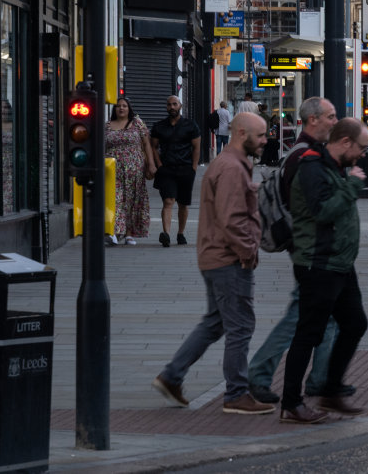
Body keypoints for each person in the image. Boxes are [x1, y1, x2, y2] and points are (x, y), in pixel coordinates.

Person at [153, 112, 273, 415]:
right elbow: (232, 219)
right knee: (241, 326)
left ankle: (171, 376)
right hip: (228, 258)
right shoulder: (231, 168)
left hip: (214, 255)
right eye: (260, 135)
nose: (265, 140)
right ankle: (236, 394)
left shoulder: (229, 163)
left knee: (215, 322)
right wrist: (248, 251)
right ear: (241, 133)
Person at [278, 118, 368, 424]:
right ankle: (291, 403)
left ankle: (331, 390)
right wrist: (352, 185)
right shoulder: (312, 167)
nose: (363, 155)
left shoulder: (334, 165)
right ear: (345, 142)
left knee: (355, 323)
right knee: (309, 333)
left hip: (339, 263)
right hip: (318, 263)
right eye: (361, 148)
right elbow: (323, 212)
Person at [248, 97, 340, 406]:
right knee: (301, 315)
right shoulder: (304, 157)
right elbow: (314, 208)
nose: (334, 121)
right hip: (309, 249)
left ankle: (320, 379)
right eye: (330, 116)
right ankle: (259, 374)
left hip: (308, 247)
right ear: (313, 119)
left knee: (327, 316)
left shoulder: (303, 153)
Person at [149, 95, 202, 247]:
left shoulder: (191, 125)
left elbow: (196, 148)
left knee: (183, 204)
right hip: (166, 169)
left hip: (185, 169)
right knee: (168, 201)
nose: (171, 107)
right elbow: (153, 147)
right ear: (166, 107)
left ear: (180, 106)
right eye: (169, 105)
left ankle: (180, 233)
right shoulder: (159, 126)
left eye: (174, 104)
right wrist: (159, 165)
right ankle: (166, 234)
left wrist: (193, 168)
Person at [105, 98, 155, 245]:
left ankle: (129, 233)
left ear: (129, 109)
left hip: (135, 168)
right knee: (115, 199)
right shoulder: (107, 126)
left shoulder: (137, 123)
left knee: (132, 201)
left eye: (124, 106)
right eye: (118, 106)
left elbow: (147, 144)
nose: (121, 108)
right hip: (112, 169)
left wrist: (151, 164)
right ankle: (114, 232)